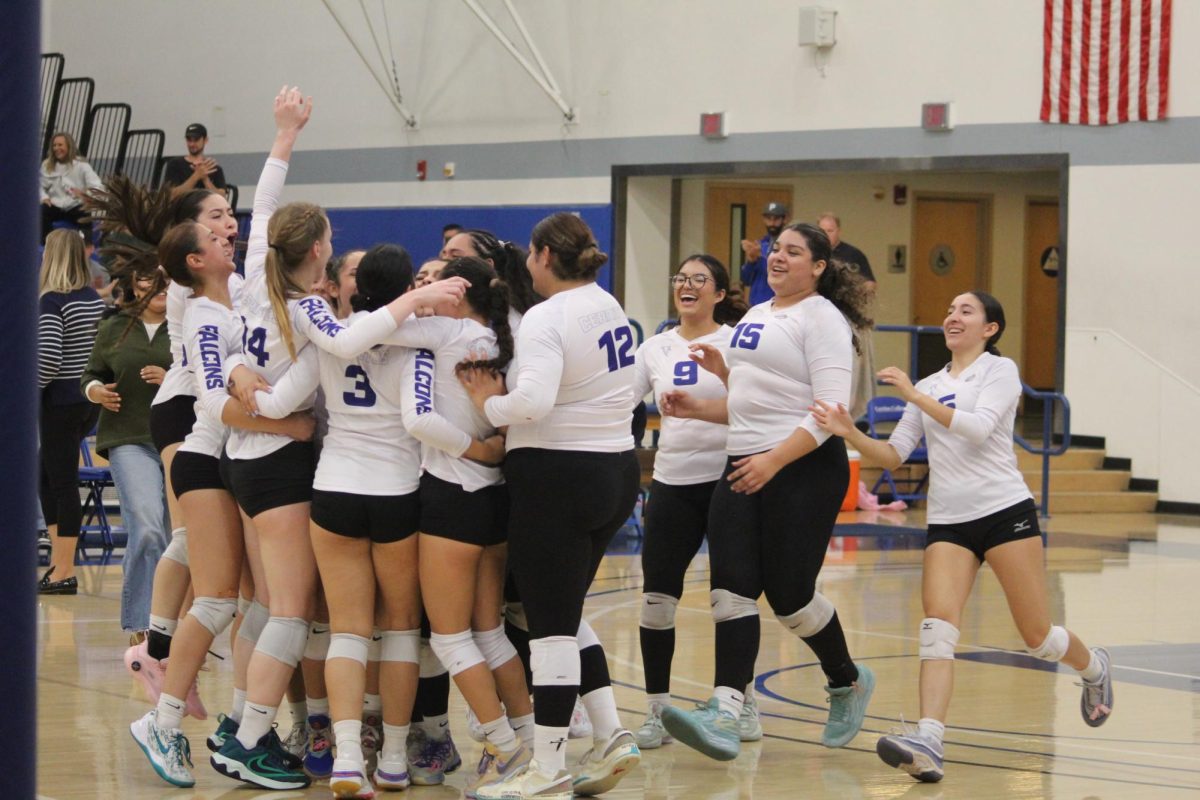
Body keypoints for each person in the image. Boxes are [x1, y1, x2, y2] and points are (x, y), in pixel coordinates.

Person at [811, 291, 1113, 784]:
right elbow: (894, 455)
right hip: (950, 521)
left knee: (1038, 638)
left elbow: (977, 428)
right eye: (949, 309)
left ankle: (1094, 667)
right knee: (937, 627)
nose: (952, 316)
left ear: (990, 328)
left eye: (966, 311)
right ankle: (929, 740)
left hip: (1004, 511)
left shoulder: (1000, 371)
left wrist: (913, 396)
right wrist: (849, 432)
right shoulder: (929, 383)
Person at [658, 222, 876, 761]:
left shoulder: (824, 318)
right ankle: (726, 712)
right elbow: (754, 396)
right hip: (744, 461)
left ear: (819, 267)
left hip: (800, 467)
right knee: (730, 588)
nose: (778, 257)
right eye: (776, 249)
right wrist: (711, 390)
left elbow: (830, 413)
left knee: (789, 596)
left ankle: (846, 680)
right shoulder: (757, 313)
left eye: (793, 252)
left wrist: (774, 462)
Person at [459, 213, 641, 800]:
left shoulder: (545, 316)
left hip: (558, 477)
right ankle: (611, 732)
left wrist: (489, 403)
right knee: (559, 613)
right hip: (616, 471)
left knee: (551, 632)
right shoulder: (606, 303)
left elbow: (531, 402)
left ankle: (548, 768)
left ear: (540, 255)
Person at [392, 257, 536, 797]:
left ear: (461, 293)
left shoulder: (443, 332)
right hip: (495, 501)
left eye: (439, 281)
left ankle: (505, 747)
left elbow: (375, 330)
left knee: (451, 638)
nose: (427, 289)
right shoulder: (505, 337)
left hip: (452, 497)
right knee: (490, 631)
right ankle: (532, 744)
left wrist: (475, 451)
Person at [630, 255, 749, 750]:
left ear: (719, 294)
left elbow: (754, 410)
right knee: (657, 600)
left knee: (731, 600)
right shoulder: (653, 347)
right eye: (680, 278)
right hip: (672, 483)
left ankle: (738, 706)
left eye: (699, 280)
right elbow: (621, 404)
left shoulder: (738, 343)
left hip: (728, 481)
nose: (687, 286)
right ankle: (657, 710)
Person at [80, 268, 172, 632]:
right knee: (148, 529)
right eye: (149, 279)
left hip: (182, 441)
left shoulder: (190, 324)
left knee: (172, 540)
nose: (158, 288)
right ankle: (141, 626)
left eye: (166, 280)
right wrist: (95, 392)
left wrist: (174, 379)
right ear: (134, 285)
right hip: (128, 440)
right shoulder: (115, 327)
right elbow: (90, 374)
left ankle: (168, 628)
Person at [36, 229, 106, 594]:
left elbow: (47, 358)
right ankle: (58, 562)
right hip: (86, 402)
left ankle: (63, 568)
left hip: (59, 400)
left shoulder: (52, 302)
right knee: (44, 475)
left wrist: (28, 391)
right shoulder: (93, 298)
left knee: (61, 483)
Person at [818, 212, 877, 419]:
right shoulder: (814, 254)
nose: (826, 235)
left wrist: (848, 291)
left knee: (851, 379)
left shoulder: (853, 255)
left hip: (848, 319)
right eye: (822, 231)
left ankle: (849, 421)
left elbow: (870, 285)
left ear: (839, 231)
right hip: (820, 322)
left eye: (830, 230)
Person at [40, 132, 103, 242]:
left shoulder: (82, 166)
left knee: (85, 220)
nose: (56, 148)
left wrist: (85, 194)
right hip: (55, 205)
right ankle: (47, 244)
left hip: (75, 205)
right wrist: (44, 197)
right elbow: (38, 185)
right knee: (41, 213)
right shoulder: (47, 165)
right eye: (54, 145)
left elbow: (97, 186)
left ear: (69, 146)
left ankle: (85, 248)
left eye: (60, 145)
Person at [738, 201, 787, 307]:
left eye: (776, 219)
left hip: (779, 305)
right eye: (768, 219)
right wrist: (751, 260)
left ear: (784, 219)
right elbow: (745, 280)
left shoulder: (788, 246)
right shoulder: (760, 245)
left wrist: (761, 258)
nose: (772, 223)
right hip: (756, 306)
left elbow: (782, 273)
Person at [161, 123, 228, 197]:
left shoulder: (213, 168)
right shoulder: (174, 164)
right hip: (183, 207)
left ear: (205, 140)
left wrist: (205, 179)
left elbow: (221, 197)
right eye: (189, 140)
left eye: (196, 140)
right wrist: (196, 176)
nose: (192, 144)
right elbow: (171, 195)